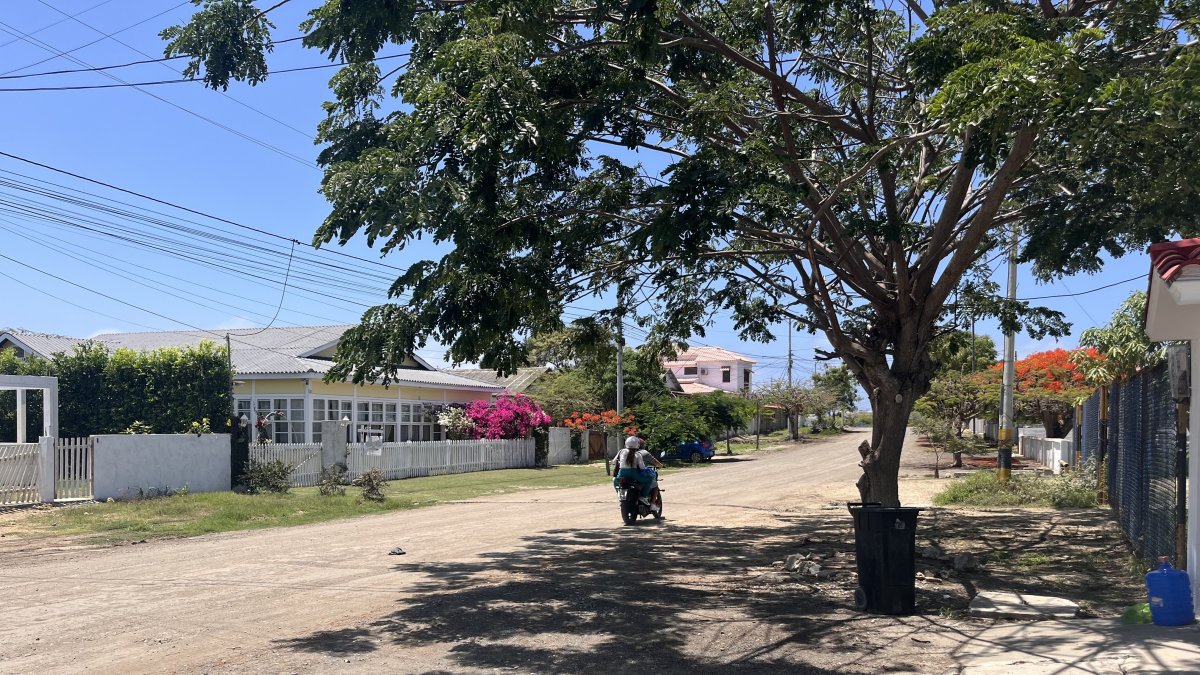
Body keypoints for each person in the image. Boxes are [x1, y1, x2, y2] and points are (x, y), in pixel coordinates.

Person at [613, 435, 663, 503]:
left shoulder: (622, 451)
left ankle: (621, 496)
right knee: (649, 480)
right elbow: (642, 468)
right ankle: (643, 497)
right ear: (638, 445)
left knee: (615, 480)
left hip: (621, 473)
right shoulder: (639, 454)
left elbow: (614, 462)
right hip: (635, 474)